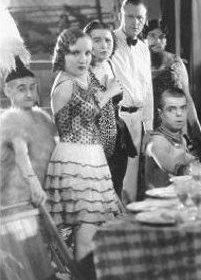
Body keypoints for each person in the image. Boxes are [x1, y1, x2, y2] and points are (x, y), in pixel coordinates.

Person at [44, 28, 121, 264]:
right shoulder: (65, 84)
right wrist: (109, 93)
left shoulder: (80, 78)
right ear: (62, 54)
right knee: (86, 236)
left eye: (87, 53)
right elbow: (88, 113)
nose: (83, 59)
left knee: (94, 234)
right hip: (75, 160)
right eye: (75, 53)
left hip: (91, 156)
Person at [0, 58, 57, 280]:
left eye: (32, 87)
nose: (29, 94)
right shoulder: (11, 119)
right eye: (21, 89)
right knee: (24, 265)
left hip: (37, 202)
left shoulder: (42, 119)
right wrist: (35, 185)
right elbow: (22, 155)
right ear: (8, 91)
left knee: (39, 261)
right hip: (15, 203)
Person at [83, 20, 137, 199]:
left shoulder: (109, 65)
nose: (104, 45)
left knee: (116, 191)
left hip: (117, 141)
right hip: (93, 144)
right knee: (97, 197)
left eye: (108, 40)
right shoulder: (81, 72)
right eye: (96, 40)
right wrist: (110, 92)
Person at [110, 0, 153, 202]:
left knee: (132, 181)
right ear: (121, 15)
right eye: (130, 16)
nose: (135, 22)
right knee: (116, 178)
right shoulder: (109, 43)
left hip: (138, 121)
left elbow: (148, 90)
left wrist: (149, 127)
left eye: (140, 18)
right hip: (117, 118)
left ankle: (129, 222)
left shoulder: (144, 48)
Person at [143, 19, 201, 152]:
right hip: (149, 126)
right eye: (152, 36)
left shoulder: (175, 62)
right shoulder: (138, 63)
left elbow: (187, 97)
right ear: (144, 39)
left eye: (161, 37)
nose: (157, 41)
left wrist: (196, 128)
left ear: (166, 41)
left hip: (176, 125)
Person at [143, 87, 196, 189]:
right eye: (172, 109)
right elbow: (179, 170)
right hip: (161, 203)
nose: (179, 114)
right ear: (161, 114)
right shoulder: (156, 141)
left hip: (180, 199)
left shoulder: (181, 140)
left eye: (183, 108)